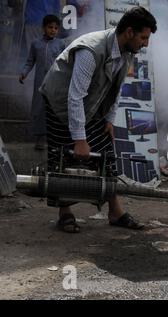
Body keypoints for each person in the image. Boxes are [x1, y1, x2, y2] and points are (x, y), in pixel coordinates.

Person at [39, 6, 157, 233]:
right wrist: (80, 138)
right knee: (63, 155)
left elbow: (116, 88)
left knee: (106, 154)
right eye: (144, 37)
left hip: (90, 105)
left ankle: (115, 212)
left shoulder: (127, 52)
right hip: (60, 102)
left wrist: (109, 120)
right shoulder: (91, 50)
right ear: (130, 32)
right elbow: (75, 96)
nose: (146, 43)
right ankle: (65, 214)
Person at [19, 14, 65, 150]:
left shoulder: (61, 44)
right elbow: (29, 61)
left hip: (55, 82)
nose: (53, 30)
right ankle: (40, 139)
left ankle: (54, 140)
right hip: (40, 83)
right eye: (50, 27)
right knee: (39, 108)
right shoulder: (36, 44)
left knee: (54, 109)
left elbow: (65, 63)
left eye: (56, 28)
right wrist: (24, 73)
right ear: (43, 28)